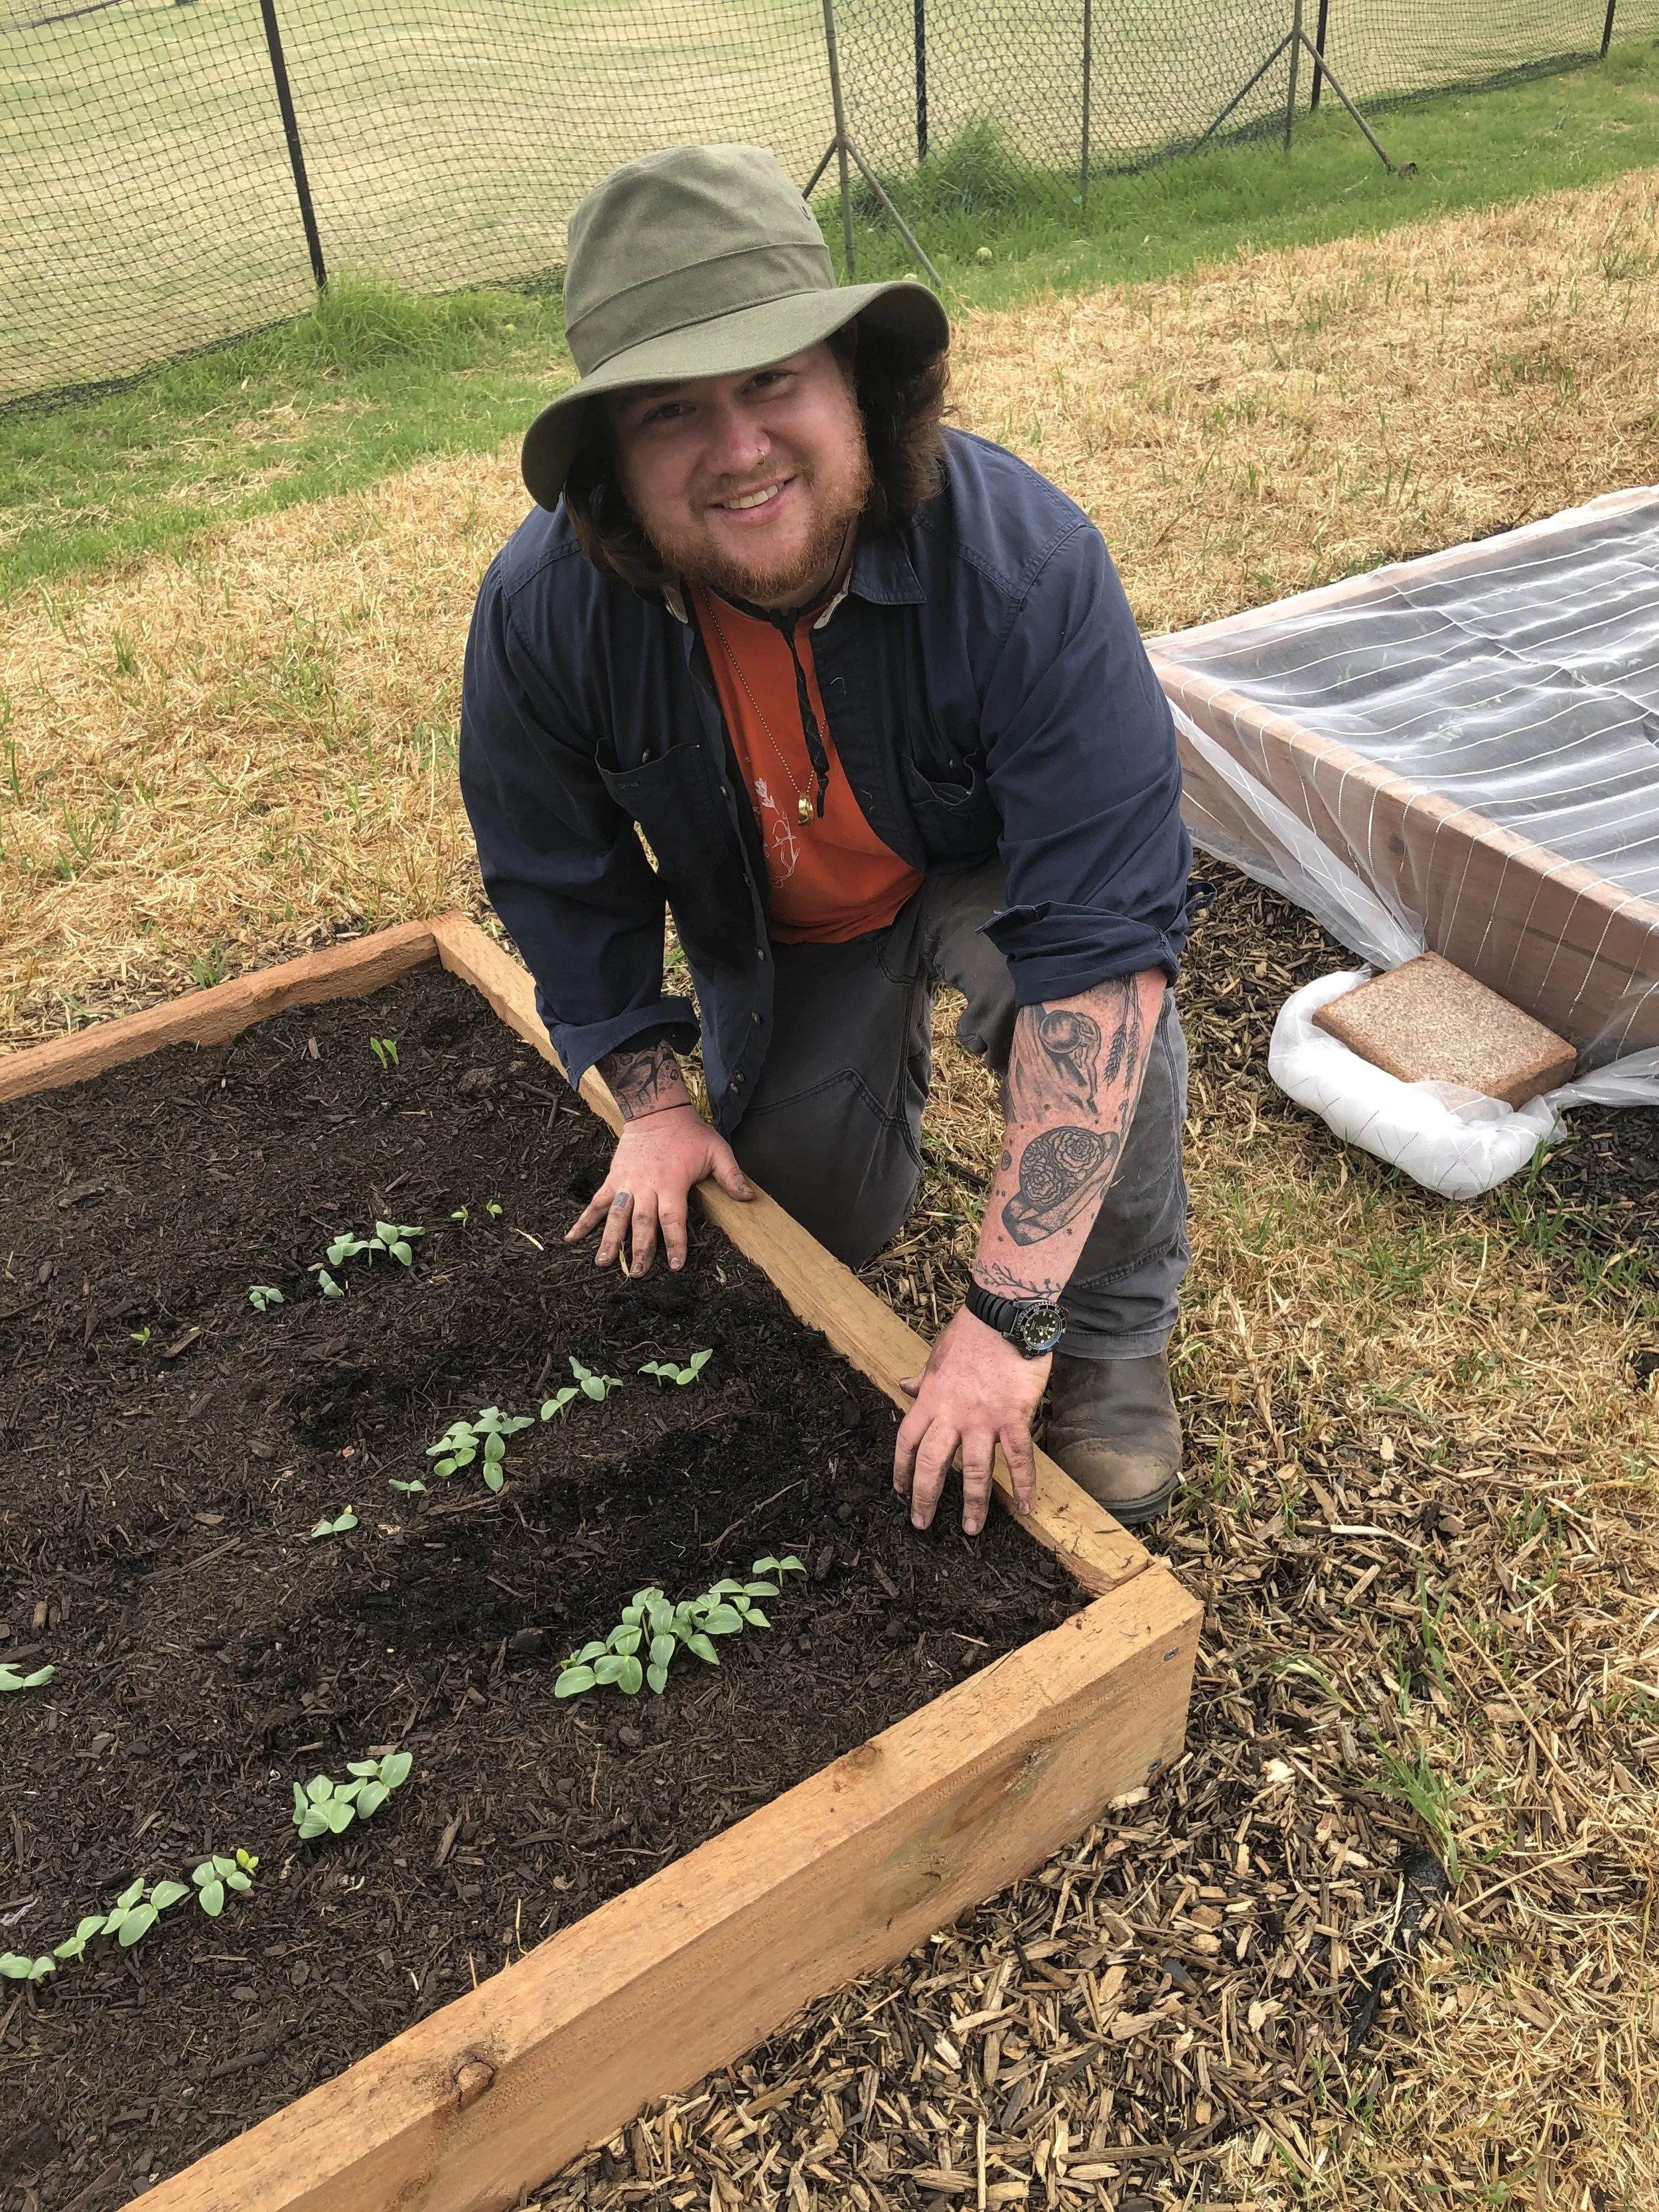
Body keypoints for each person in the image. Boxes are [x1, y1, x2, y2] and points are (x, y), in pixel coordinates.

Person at [460, 143, 1196, 1536]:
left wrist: (1005, 1318)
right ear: (614, 461)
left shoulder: (1022, 566)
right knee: (811, 1220)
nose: (737, 450)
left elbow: (1100, 944)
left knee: (1113, 1035)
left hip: (991, 879)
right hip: (785, 921)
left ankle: (1112, 1334)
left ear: (855, 377)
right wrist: (654, 1098)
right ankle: (870, 1096)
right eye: (671, 411)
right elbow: (554, 866)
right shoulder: (547, 610)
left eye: (770, 382)